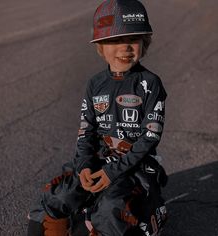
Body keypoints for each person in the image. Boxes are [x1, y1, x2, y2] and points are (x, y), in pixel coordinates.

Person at [27, 0, 168, 235]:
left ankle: (128, 217)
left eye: (132, 40)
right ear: (100, 46)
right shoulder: (95, 84)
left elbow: (149, 138)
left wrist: (111, 173)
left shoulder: (151, 84)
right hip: (98, 159)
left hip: (134, 164)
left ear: (144, 43)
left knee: (111, 209)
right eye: (115, 40)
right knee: (57, 195)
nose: (125, 48)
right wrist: (84, 166)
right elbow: (86, 131)